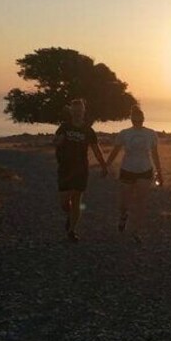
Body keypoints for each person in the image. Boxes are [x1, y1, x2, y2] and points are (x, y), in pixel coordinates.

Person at [105, 104, 163, 243]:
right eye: (135, 118)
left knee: (141, 202)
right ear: (131, 119)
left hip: (145, 170)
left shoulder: (151, 134)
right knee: (124, 202)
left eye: (140, 118)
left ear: (143, 119)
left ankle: (136, 231)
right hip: (127, 170)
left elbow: (155, 154)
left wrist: (159, 172)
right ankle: (123, 216)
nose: (138, 120)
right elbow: (115, 150)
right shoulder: (124, 133)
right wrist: (106, 166)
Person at [53, 99, 108, 242]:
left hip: (81, 168)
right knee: (64, 202)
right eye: (75, 110)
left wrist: (104, 166)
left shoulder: (88, 131)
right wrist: (58, 141)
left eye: (80, 110)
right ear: (70, 111)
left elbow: (96, 150)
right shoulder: (64, 127)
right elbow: (56, 142)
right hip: (65, 168)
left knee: (77, 199)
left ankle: (72, 231)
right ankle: (70, 215)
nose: (77, 113)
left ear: (84, 111)